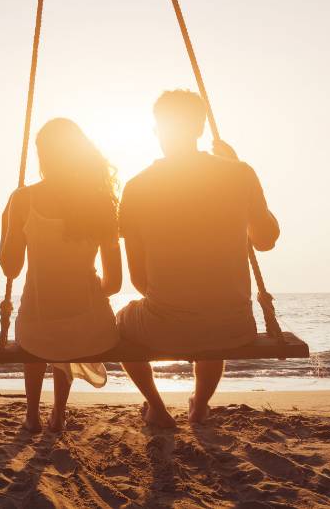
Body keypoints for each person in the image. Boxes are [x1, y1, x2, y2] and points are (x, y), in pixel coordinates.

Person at [117, 89, 280, 428]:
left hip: (166, 326)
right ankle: (199, 405)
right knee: (212, 317)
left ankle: (157, 408)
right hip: (234, 327)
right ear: (201, 127)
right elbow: (265, 240)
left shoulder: (137, 187)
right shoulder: (240, 174)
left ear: (157, 130)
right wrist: (236, 168)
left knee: (120, 326)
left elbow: (139, 282)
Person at [0, 118, 122, 433]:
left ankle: (31, 416)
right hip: (92, 328)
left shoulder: (22, 200)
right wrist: (87, 294)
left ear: (43, 155)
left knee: (41, 324)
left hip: (37, 328)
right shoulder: (101, 202)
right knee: (66, 322)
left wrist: (7, 223)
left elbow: (10, 268)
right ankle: (59, 413)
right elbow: (115, 283)